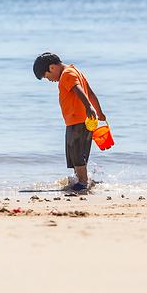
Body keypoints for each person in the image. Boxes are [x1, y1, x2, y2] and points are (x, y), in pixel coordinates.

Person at [33, 52, 106, 192]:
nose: (49, 80)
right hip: (80, 121)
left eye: (47, 77)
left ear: (52, 67)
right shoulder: (75, 71)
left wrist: (89, 107)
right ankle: (82, 180)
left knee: (77, 154)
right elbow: (90, 92)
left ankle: (83, 183)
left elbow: (79, 91)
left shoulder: (67, 74)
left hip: (77, 121)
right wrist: (99, 111)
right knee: (76, 154)